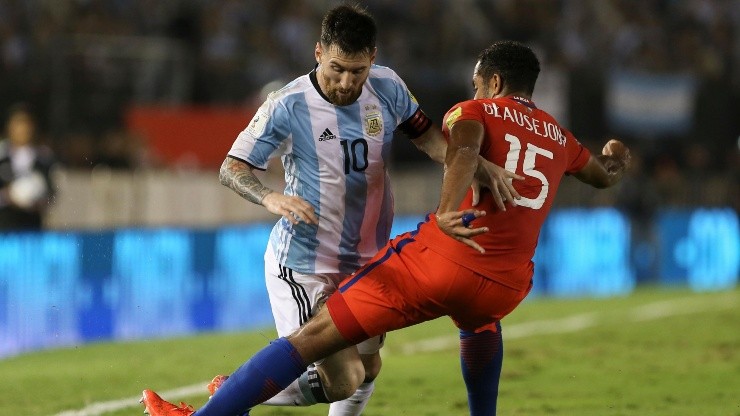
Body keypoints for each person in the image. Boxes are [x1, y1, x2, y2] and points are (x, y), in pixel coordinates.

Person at [141, 40, 631, 416]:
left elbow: (460, 147)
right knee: (474, 326)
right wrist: (616, 156)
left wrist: (444, 211)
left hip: (443, 260)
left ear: (493, 80)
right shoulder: (560, 136)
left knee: (316, 340)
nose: (475, 90)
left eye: (478, 83)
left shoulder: (474, 111)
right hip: (508, 284)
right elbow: (604, 178)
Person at [201, 5, 520, 416]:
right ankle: (228, 394)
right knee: (343, 377)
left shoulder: (387, 87)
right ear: (318, 53)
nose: (346, 82)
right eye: (337, 69)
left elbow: (428, 139)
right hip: (305, 263)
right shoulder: (287, 104)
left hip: (368, 259)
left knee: (369, 368)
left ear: (373, 57)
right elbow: (232, 168)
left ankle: (233, 392)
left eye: (357, 71)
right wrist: (270, 197)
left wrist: (471, 164)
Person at [0, 104, 55, 231]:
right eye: (18, 124)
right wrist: (7, 196)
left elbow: (52, 192)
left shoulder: (44, 158)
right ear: (9, 127)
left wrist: (39, 201)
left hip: (32, 228)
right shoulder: (2, 156)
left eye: (26, 124)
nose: (22, 130)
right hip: (4, 228)